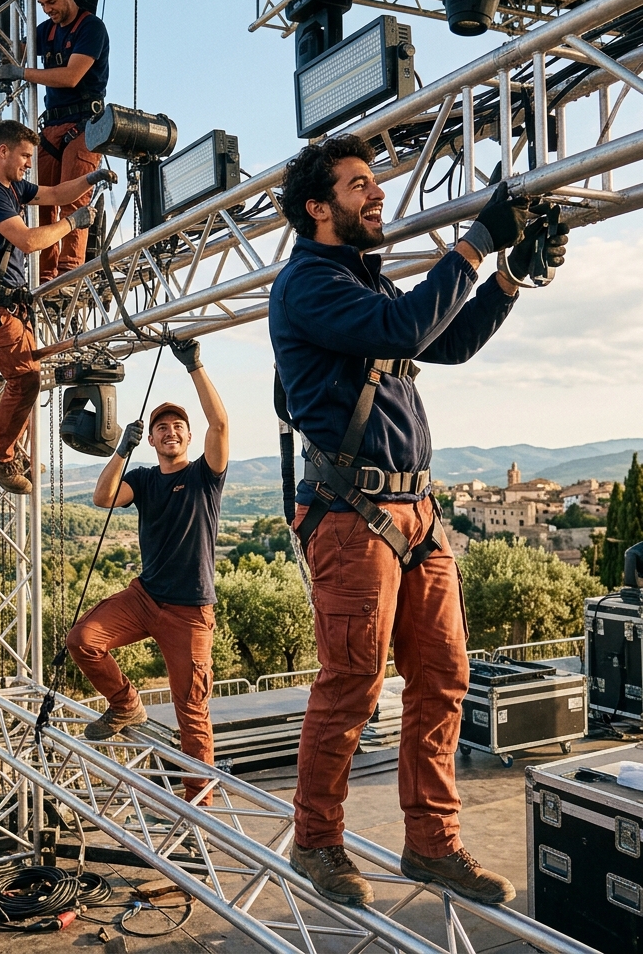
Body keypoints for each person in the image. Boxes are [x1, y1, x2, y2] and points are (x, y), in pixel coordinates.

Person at [268, 135, 568, 907]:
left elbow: (448, 341)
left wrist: (507, 276)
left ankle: (432, 844)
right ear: (318, 206)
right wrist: (475, 242)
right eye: (360, 184)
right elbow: (407, 328)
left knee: (443, 679)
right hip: (353, 514)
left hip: (415, 512)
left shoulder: (360, 285)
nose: (376, 195)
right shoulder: (306, 283)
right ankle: (317, 840)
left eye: (375, 183)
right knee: (353, 684)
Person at [65, 339, 229, 805]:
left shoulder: (204, 476)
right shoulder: (141, 478)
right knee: (82, 640)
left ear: (188, 438)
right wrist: (121, 449)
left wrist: (195, 365)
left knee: (191, 712)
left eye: (178, 426)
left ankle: (200, 804)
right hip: (145, 598)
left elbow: (220, 422)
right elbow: (102, 497)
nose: (170, 431)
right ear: (152, 439)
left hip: (190, 613)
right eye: (162, 428)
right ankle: (126, 705)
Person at [0, 119, 116, 495]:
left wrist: (90, 179)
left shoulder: (11, 187)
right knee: (25, 379)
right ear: (3, 152)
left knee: (30, 377)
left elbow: (55, 193)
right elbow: (30, 240)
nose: (29, 163)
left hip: (7, 303)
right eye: (25, 156)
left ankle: (13, 451)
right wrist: (71, 224)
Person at [0, 0, 109, 280]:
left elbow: (71, 76)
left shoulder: (91, 28)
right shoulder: (45, 31)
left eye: (52, 3)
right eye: (43, 5)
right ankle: (45, 274)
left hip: (84, 124)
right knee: (41, 199)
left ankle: (69, 271)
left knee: (73, 198)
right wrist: (3, 47)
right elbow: (18, 52)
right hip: (51, 128)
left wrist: (22, 73)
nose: (48, 10)